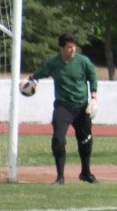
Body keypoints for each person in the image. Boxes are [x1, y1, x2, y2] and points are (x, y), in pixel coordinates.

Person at [25, 32, 100, 184]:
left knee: (86, 139)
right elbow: (41, 72)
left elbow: (92, 77)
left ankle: (86, 173)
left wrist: (94, 98)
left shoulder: (83, 61)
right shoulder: (54, 63)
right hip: (63, 106)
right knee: (58, 140)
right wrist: (30, 80)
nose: (72, 50)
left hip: (82, 107)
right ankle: (60, 177)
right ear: (61, 48)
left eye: (74, 47)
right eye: (69, 47)